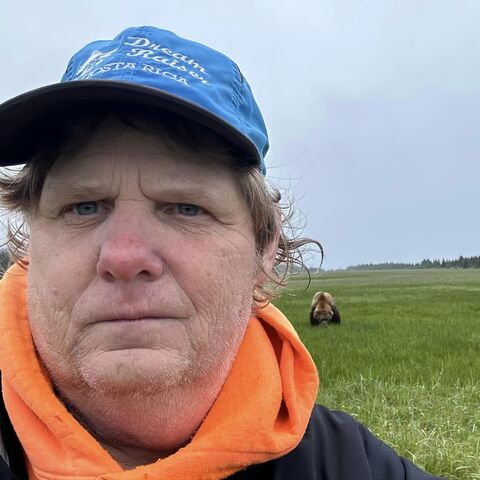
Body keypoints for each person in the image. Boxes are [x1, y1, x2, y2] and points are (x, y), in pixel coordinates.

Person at [0, 26, 442, 479]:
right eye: (84, 206)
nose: (124, 256)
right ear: (29, 245)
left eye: (186, 208)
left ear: (264, 253)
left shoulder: (350, 467)